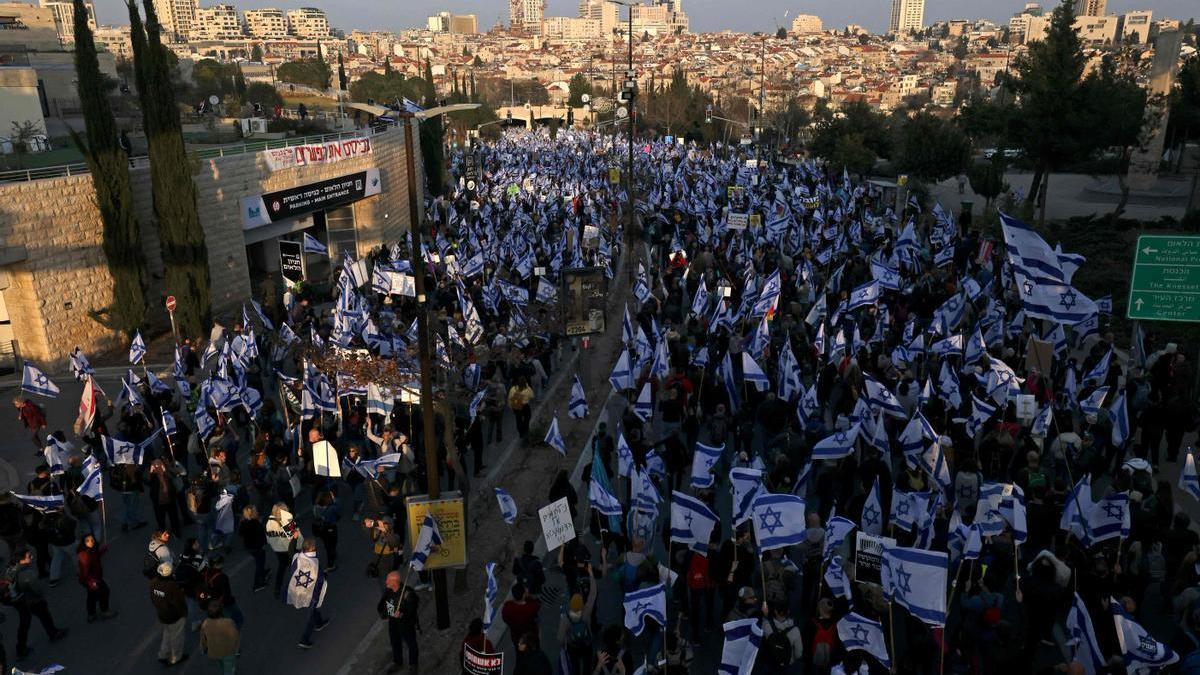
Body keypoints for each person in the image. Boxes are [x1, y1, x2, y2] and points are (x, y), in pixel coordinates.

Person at [7, 547, 66, 658]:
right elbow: (37, 589)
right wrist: (41, 595)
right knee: (44, 615)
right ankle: (53, 633)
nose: (32, 557)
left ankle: (21, 648)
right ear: (22, 560)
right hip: (30, 600)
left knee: (24, 624)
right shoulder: (27, 573)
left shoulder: (11, 569)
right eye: (29, 556)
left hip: (17, 600)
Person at [286, 540, 329, 649]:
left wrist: (294, 540)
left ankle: (319, 622)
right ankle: (304, 639)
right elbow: (319, 580)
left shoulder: (297, 558)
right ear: (311, 549)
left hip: (299, 589)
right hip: (310, 594)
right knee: (311, 614)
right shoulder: (315, 563)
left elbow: (291, 552)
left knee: (314, 610)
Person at [378, 570, 419, 674]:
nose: (386, 581)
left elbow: (412, 609)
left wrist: (401, 614)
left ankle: (413, 665)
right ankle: (397, 662)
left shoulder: (407, 594)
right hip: (393, 624)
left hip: (406, 625)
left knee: (411, 644)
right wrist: (386, 614)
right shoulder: (388, 592)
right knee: (395, 643)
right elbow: (382, 606)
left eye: (388, 580)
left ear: (395, 582)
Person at [149, 562, 188, 666]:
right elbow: (179, 602)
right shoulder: (172, 586)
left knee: (167, 634)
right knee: (177, 637)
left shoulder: (153, 583)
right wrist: (183, 613)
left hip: (162, 615)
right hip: (174, 617)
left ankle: (163, 654)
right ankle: (176, 657)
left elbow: (152, 598)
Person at [76, 533, 116, 622]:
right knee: (104, 592)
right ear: (84, 542)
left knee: (92, 596)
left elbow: (96, 556)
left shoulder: (91, 550)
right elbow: (85, 572)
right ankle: (104, 611)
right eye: (88, 540)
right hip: (92, 579)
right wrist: (91, 582)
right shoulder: (85, 555)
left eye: (92, 539)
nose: (91, 542)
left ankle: (91, 614)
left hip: (93, 578)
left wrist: (102, 550)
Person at [267, 503, 302, 598]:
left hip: (278, 550)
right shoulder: (286, 521)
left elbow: (269, 537)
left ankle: (277, 588)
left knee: (281, 568)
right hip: (290, 549)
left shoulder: (270, 522)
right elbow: (295, 537)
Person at [760, 599, 803, 674]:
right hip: (786, 663)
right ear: (788, 611)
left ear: (775, 611)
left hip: (771, 661)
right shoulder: (795, 630)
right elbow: (799, 653)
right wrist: (792, 660)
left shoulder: (766, 625)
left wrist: (765, 614)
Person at [200, 600, 239, 675]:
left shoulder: (205, 623)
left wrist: (204, 648)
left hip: (214, 650)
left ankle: (226, 670)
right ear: (221, 611)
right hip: (227, 650)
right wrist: (236, 648)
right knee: (228, 666)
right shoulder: (228, 622)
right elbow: (235, 636)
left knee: (221, 662)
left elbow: (203, 638)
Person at [238, 505, 269, 593]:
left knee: (259, 562)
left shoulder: (243, 522)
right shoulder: (255, 523)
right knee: (260, 564)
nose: (257, 511)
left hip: (249, 547)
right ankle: (257, 584)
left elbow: (240, 534)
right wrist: (264, 543)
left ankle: (262, 574)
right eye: (255, 511)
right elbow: (261, 535)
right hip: (257, 546)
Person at [500, 582, 540, 647]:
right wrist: (529, 597)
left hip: (516, 635)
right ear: (524, 595)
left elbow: (505, 619)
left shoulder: (507, 608)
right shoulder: (530, 607)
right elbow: (536, 606)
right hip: (529, 634)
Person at [312, 490, 340, 572]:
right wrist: (334, 500)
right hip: (331, 528)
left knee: (327, 545)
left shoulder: (316, 507)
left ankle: (332, 556)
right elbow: (338, 514)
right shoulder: (331, 508)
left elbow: (316, 517)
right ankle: (330, 565)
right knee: (332, 545)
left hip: (322, 530)